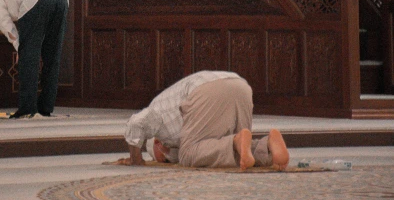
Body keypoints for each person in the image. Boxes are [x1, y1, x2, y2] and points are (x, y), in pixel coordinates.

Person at [117, 70, 289, 171]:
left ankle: (238, 140)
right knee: (238, 154)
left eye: (164, 159)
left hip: (205, 91)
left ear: (158, 144)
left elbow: (136, 122)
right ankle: (268, 146)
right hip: (240, 85)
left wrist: (135, 158)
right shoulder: (184, 129)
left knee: (188, 154)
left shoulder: (157, 120)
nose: (169, 160)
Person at [0, 0, 68, 118]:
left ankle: (27, 108)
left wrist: (20, 48)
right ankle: (45, 107)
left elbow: (6, 24)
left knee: (28, 58)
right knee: (52, 55)